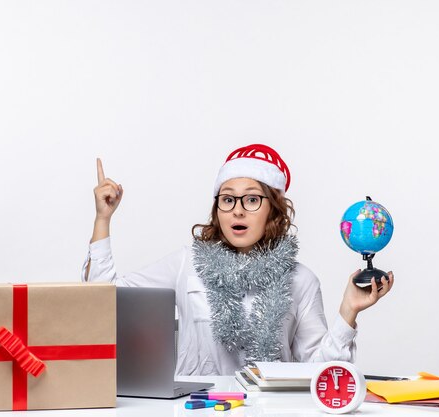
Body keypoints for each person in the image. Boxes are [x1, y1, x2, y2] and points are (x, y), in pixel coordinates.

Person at [82, 144, 394, 376]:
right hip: (198, 410)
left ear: (272, 209)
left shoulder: (301, 280)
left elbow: (320, 374)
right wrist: (103, 218)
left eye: (252, 199)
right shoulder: (188, 264)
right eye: (228, 199)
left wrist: (348, 312)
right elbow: (103, 299)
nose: (238, 210)